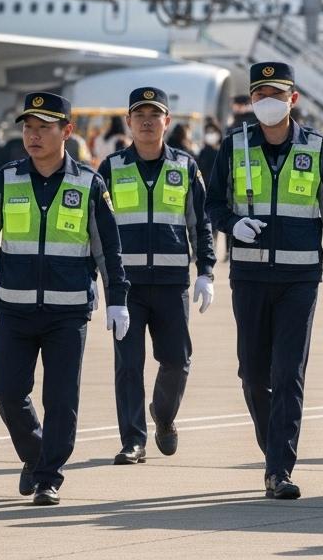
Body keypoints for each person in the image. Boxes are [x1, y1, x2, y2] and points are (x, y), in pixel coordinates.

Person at [0, 91, 130, 506]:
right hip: (14, 309)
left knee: (61, 400)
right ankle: (35, 456)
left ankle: (49, 477)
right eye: (28, 127)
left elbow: (108, 249)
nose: (33, 136)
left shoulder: (88, 183)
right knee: (7, 390)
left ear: (67, 131)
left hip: (68, 313)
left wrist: (118, 298)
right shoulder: (6, 180)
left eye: (44, 127)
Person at [205, 62, 323, 500]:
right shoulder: (234, 147)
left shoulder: (315, 148)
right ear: (250, 101)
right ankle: (274, 445)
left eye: (275, 94)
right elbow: (212, 204)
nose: (266, 102)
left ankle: (279, 469)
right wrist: (232, 225)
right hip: (250, 276)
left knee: (289, 374)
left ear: (293, 99)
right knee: (253, 375)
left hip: (299, 279)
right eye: (258, 95)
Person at [100, 87, 215, 465]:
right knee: (128, 364)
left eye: (155, 115)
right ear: (129, 122)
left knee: (177, 360)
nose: (147, 121)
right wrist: (91, 274)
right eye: (140, 115)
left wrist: (207, 270)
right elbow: (94, 227)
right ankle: (133, 440)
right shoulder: (111, 168)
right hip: (126, 285)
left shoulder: (186, 166)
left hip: (171, 283)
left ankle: (163, 416)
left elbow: (200, 222)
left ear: (167, 121)